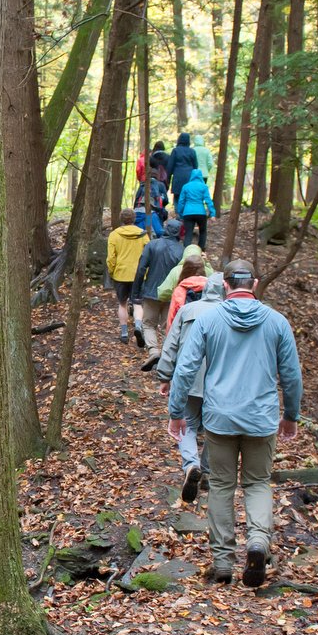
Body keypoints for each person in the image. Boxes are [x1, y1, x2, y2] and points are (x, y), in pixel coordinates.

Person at [168, 260, 303, 587]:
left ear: (225, 284)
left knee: (223, 486)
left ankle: (223, 561)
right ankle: (257, 542)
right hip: (261, 419)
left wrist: (176, 411)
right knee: (257, 483)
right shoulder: (277, 322)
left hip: (219, 419)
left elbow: (186, 369)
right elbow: (292, 375)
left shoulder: (207, 319)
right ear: (253, 283)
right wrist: (291, 415)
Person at [156, 272, 225, 502]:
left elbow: (171, 345)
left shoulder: (187, 310)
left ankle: (191, 464)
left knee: (188, 424)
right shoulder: (230, 315)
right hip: (220, 381)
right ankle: (205, 470)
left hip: (189, 378)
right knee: (215, 428)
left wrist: (165, 376)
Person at [131, 219, 184, 366]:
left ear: (166, 229)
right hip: (172, 295)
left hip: (151, 293)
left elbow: (141, 268)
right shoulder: (182, 250)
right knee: (169, 326)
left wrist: (135, 292)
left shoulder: (152, 245)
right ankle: (167, 357)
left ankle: (154, 351)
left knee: (148, 324)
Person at [106, 209, 150, 343]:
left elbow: (111, 258)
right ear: (134, 218)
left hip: (120, 274)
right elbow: (148, 255)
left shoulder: (114, 235)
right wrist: (146, 271)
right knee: (137, 304)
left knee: (122, 303)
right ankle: (138, 325)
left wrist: (112, 271)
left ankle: (124, 333)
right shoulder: (143, 235)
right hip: (138, 274)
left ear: (121, 219)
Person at [176, 168, 216, 248]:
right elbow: (208, 201)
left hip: (188, 213)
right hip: (201, 212)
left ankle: (186, 251)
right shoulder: (204, 187)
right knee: (203, 231)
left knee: (188, 233)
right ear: (201, 176)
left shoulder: (186, 187)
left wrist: (180, 213)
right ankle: (201, 250)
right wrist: (212, 214)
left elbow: (181, 202)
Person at [166, 257, 207, 330]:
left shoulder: (180, 290)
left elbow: (172, 318)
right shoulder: (212, 288)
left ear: (184, 270)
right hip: (205, 332)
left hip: (184, 332)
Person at [167, 132, 199, 206]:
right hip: (189, 177)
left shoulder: (175, 151)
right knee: (188, 196)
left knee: (177, 197)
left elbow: (170, 166)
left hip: (178, 177)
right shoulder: (192, 151)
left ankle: (179, 214)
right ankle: (187, 214)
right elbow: (195, 167)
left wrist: (168, 178)